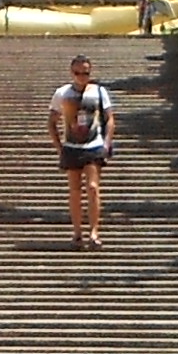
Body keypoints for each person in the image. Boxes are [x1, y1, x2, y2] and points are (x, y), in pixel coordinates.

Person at [49, 53, 117, 248]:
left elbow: (110, 118)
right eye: (78, 73)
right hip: (71, 147)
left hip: (93, 145)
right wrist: (59, 147)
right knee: (75, 191)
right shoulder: (62, 93)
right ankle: (77, 232)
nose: (82, 77)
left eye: (85, 73)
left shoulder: (99, 92)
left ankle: (94, 232)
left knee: (93, 188)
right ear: (72, 72)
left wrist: (106, 143)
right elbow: (52, 121)